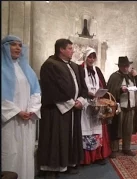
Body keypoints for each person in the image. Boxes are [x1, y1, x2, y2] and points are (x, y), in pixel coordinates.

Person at [37, 38, 88, 178]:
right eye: (70, 48)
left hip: (73, 108)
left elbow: (82, 86)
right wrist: (71, 103)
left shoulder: (74, 66)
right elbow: (52, 88)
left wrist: (81, 100)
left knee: (70, 137)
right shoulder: (50, 65)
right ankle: (52, 168)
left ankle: (69, 162)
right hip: (56, 109)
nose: (73, 51)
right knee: (55, 137)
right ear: (61, 49)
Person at [1, 35, 41, 179]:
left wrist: (31, 110)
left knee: (26, 153)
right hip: (9, 121)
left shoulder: (26, 69)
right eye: (13, 45)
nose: (18, 48)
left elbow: (36, 91)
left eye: (20, 45)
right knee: (10, 152)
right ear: (5, 47)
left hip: (27, 120)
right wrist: (17, 112)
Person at [106, 56, 137, 158]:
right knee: (116, 128)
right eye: (123, 66)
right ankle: (114, 149)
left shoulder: (132, 76)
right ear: (119, 66)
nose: (125, 68)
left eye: (127, 66)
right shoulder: (114, 77)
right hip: (119, 108)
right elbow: (110, 91)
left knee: (128, 129)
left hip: (131, 107)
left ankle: (126, 148)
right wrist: (120, 90)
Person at [79, 47, 111, 165]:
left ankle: (97, 156)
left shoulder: (97, 70)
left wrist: (101, 93)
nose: (91, 60)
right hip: (85, 103)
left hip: (97, 103)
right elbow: (78, 85)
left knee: (97, 130)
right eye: (89, 57)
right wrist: (87, 93)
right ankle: (86, 158)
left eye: (93, 57)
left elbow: (102, 84)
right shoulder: (80, 69)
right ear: (85, 57)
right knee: (86, 130)